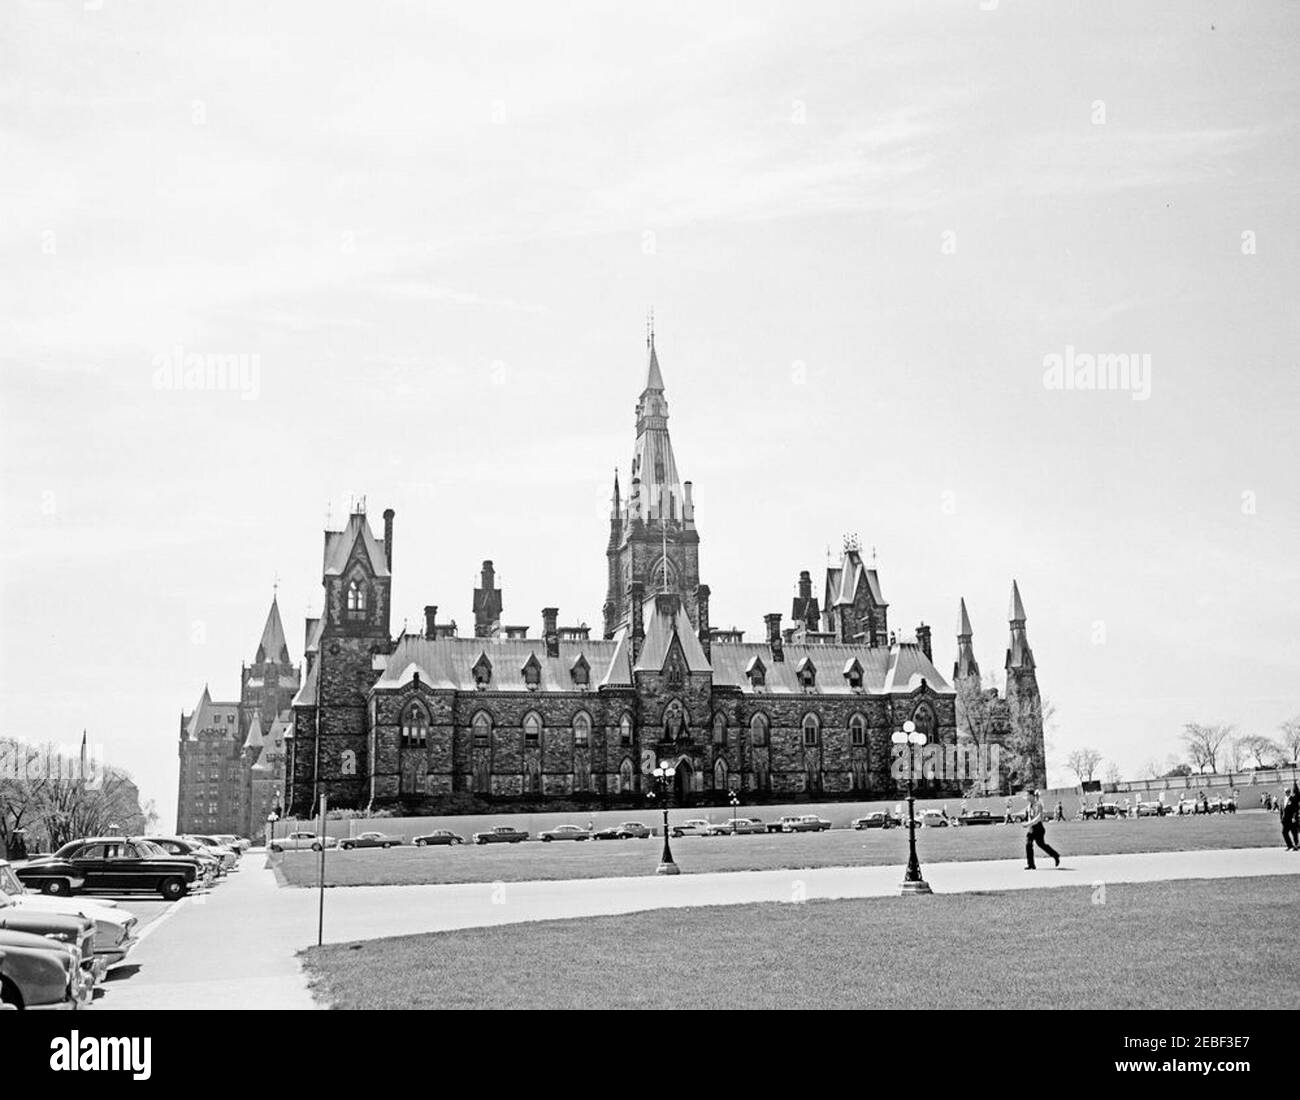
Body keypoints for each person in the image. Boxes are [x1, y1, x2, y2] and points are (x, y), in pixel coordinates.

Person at [1024, 789, 1060, 870]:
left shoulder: (1038, 805)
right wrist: (1030, 827)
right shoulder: (1029, 806)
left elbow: (1039, 818)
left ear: (1032, 796)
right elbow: (1030, 817)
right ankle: (1031, 864)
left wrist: (1028, 824)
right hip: (1032, 827)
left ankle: (1055, 855)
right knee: (1028, 844)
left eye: (1027, 795)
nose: (1026, 797)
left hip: (1039, 828)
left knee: (1041, 844)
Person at [1282, 785, 1299, 852]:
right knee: (1284, 832)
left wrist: (1294, 817)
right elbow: (1282, 810)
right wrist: (1282, 818)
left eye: (1288, 791)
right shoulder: (1283, 799)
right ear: (1284, 792)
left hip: (1291, 819)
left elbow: (1296, 809)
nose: (1287, 792)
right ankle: (1289, 845)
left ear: (1290, 792)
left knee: (1294, 833)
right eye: (1286, 791)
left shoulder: (1293, 799)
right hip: (1285, 820)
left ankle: (1296, 846)